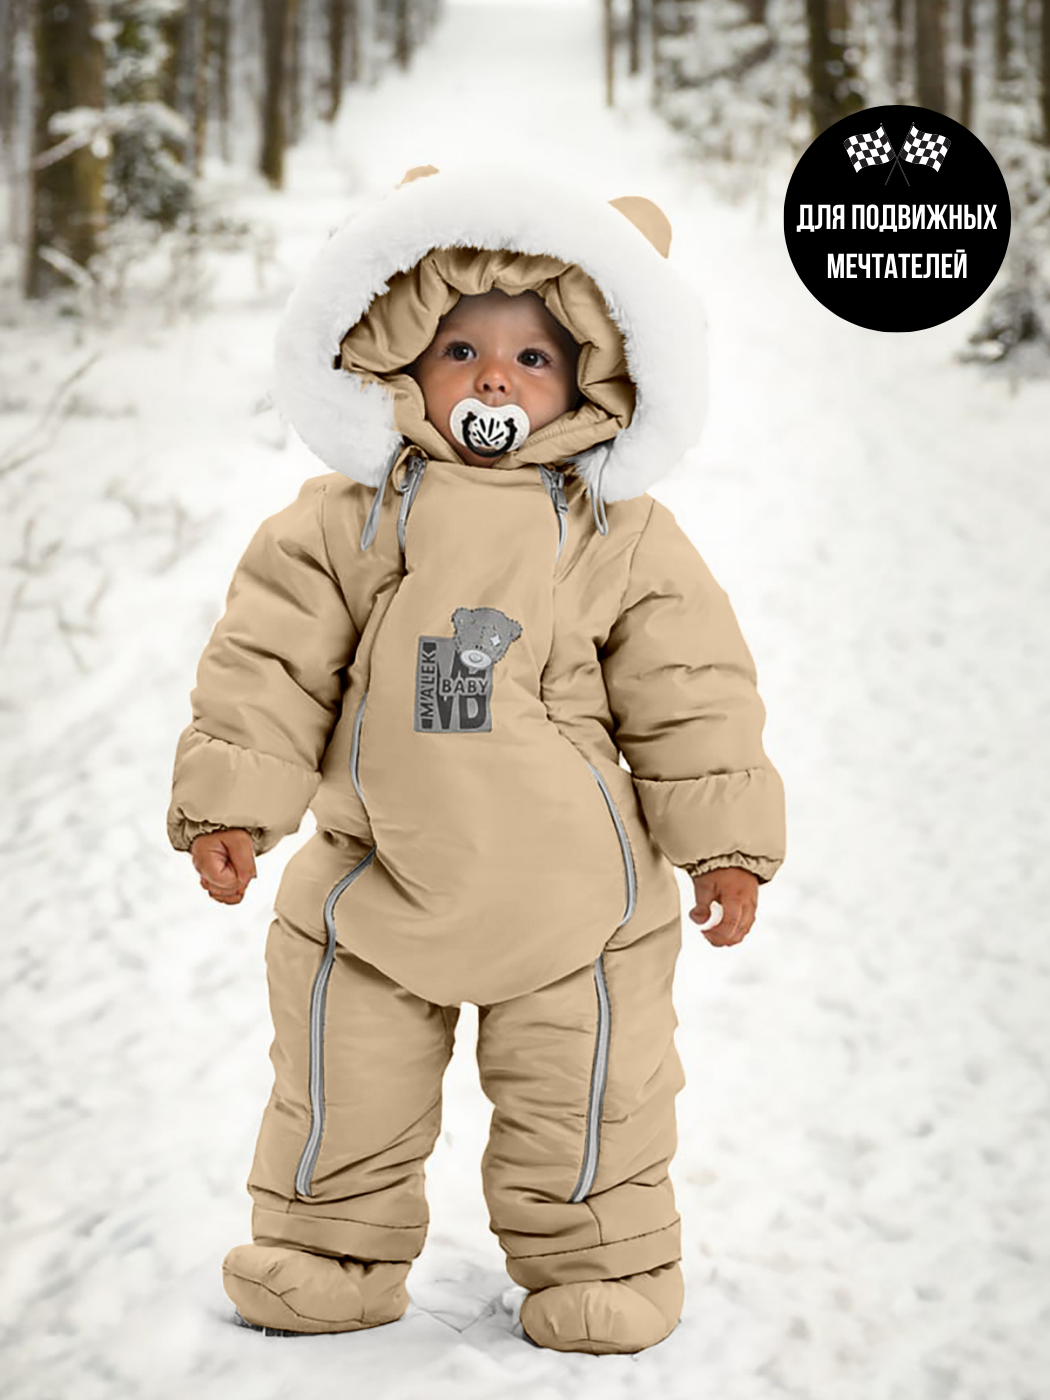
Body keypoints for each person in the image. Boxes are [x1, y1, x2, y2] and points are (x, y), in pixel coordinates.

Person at [166, 164, 787, 1354]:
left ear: (592, 378)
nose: (495, 377)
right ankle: (330, 1250)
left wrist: (724, 842)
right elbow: (268, 661)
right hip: (375, 885)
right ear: (402, 357)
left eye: (532, 356)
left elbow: (693, 690)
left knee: (589, 1101)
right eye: (462, 350)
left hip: (578, 904)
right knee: (343, 1082)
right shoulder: (342, 520)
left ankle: (603, 1259)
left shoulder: (622, 535)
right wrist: (229, 804)